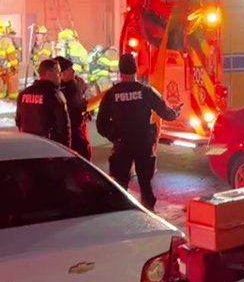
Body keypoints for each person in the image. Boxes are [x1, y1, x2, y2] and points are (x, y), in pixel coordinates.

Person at [95, 52, 182, 210]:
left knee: (120, 184)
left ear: (120, 72)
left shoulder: (111, 94)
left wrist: (115, 136)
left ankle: (121, 213)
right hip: (143, 143)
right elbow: (165, 112)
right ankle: (148, 213)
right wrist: (176, 113)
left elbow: (101, 124)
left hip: (122, 144)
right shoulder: (146, 91)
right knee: (145, 183)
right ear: (135, 71)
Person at [15, 58, 72, 147]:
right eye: (58, 73)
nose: (61, 76)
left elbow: (18, 121)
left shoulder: (24, 94)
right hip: (49, 149)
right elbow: (63, 127)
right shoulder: (55, 95)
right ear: (49, 75)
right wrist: (66, 152)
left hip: (27, 146)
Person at [55, 54, 92, 160]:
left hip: (77, 130)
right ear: (60, 74)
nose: (73, 71)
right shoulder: (56, 91)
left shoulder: (74, 84)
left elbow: (80, 104)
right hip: (68, 134)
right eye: (70, 69)